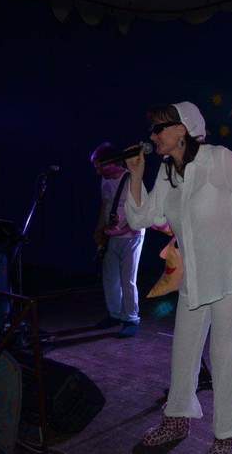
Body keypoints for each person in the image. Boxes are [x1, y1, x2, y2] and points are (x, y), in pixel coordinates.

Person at [124, 101, 232, 454]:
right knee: (183, 352)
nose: (153, 136)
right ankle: (176, 420)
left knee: (224, 357)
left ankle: (225, 437)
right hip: (196, 278)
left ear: (182, 129)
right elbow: (142, 218)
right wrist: (136, 176)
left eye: (159, 129)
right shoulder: (167, 172)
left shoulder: (220, 159)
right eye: (152, 130)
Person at [91, 143, 145, 338]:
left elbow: (141, 214)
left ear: (111, 163)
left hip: (132, 236)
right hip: (112, 237)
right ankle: (114, 315)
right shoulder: (105, 181)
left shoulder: (132, 180)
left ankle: (131, 319)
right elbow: (105, 206)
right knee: (110, 278)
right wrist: (100, 230)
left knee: (127, 279)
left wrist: (120, 230)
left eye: (99, 166)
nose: (97, 171)